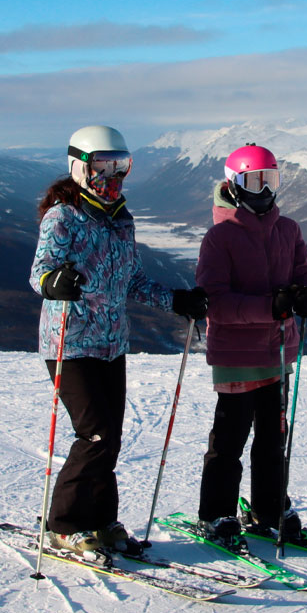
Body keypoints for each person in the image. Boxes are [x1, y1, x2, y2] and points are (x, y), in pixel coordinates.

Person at [29, 124, 208, 555]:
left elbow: (130, 280)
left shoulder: (121, 219)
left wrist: (175, 300)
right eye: (103, 168)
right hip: (69, 343)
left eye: (120, 167)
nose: (112, 178)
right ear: (79, 168)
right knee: (94, 435)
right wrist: (56, 282)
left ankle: (102, 519)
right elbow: (39, 272)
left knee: (111, 436)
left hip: (112, 343)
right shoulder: (62, 217)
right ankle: (65, 523)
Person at [191, 143, 307, 549]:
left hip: (278, 351)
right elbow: (217, 301)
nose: (263, 191)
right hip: (236, 355)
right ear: (233, 186)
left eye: (270, 180)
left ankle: (269, 508)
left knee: (272, 437)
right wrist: (270, 307)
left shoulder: (288, 230)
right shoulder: (220, 238)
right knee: (230, 439)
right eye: (253, 182)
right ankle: (216, 514)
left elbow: (305, 272)